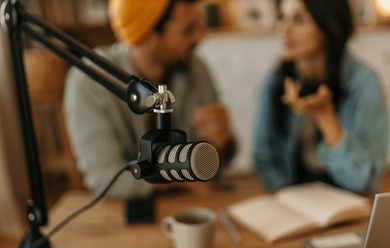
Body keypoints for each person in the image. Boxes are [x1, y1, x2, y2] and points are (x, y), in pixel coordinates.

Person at [64, 0, 235, 198]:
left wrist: (222, 141)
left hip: (191, 207)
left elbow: (216, 163)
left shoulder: (196, 69)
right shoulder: (90, 81)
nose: (201, 35)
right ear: (146, 37)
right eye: (188, 30)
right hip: (129, 213)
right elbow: (104, 179)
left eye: (199, 24)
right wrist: (184, 182)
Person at [252, 0, 388, 193]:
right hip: (294, 203)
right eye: (283, 17)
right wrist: (287, 197)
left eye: (299, 19)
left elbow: (362, 179)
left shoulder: (364, 84)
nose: (284, 28)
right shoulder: (276, 80)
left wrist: (326, 116)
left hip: (351, 203)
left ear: (329, 25)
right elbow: (264, 156)